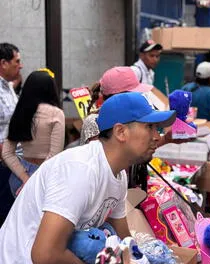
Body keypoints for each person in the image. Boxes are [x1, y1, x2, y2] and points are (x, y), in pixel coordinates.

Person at [0, 92, 177, 263]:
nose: (157, 136)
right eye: (149, 127)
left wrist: (139, 259)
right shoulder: (80, 170)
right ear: (121, 132)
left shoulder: (118, 175)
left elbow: (124, 237)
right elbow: (45, 255)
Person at [2, 70, 65, 197]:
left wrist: (25, 178)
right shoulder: (56, 114)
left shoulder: (20, 112)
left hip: (19, 177)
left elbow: (7, 152)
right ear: (51, 90)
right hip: (47, 177)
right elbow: (54, 155)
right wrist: (36, 179)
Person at [0, 42, 22, 226]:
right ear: (3, 63)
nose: (20, 65)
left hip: (10, 158)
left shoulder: (8, 87)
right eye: (17, 61)